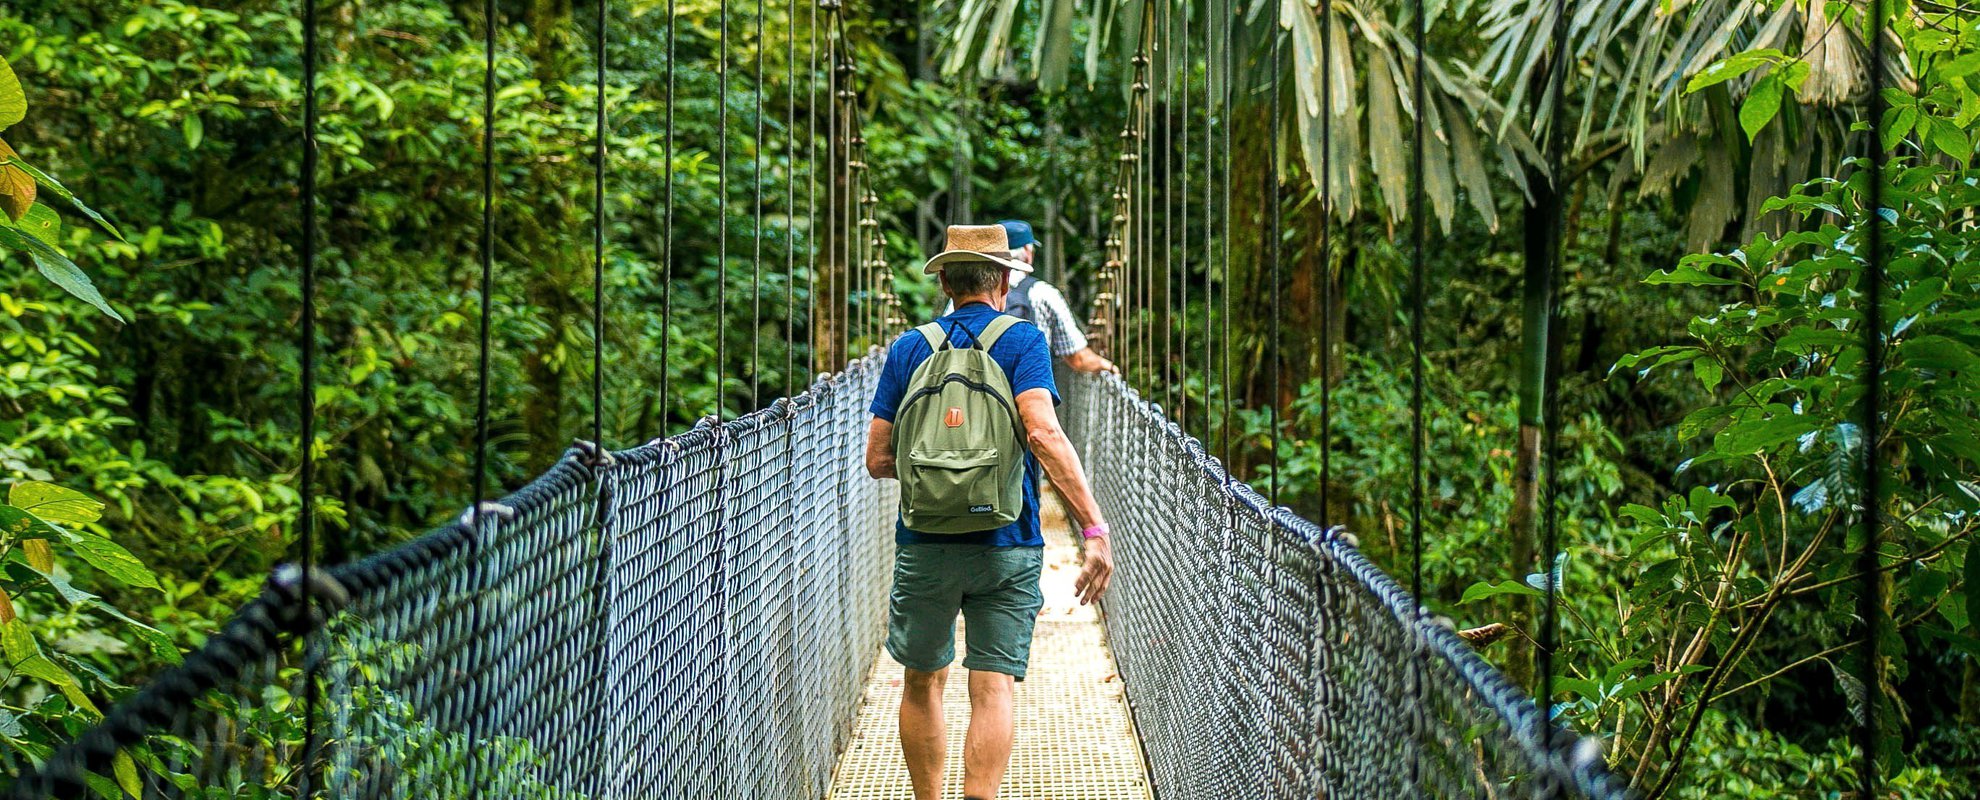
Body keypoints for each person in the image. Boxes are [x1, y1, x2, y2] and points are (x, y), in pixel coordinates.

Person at [865, 224, 1115, 800]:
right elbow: (1045, 435)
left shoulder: (909, 347)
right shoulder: (1023, 341)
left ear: (947, 283)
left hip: (925, 542)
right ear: (1004, 280)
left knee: (922, 681)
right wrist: (1092, 527)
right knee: (993, 686)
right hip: (1010, 541)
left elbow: (878, 460)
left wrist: (941, 476)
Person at [946, 219, 1119, 375]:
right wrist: (1106, 365)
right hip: (1025, 390)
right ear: (1028, 252)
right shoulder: (1043, 294)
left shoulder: (963, 295)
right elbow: (1077, 358)